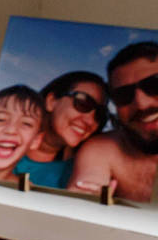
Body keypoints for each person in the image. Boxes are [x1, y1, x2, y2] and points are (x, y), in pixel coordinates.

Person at [71, 42, 158, 204]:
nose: (141, 104)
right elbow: (83, 196)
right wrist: (84, 201)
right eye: (123, 95)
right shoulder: (102, 148)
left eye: (154, 85)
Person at [20, 69, 107, 189]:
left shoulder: (84, 170)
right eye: (83, 103)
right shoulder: (1, 148)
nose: (90, 121)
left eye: (100, 114)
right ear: (51, 101)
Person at [0, 86, 47, 184]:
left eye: (26, 123)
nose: (11, 130)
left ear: (35, 141)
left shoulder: (25, 186)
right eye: (0, 119)